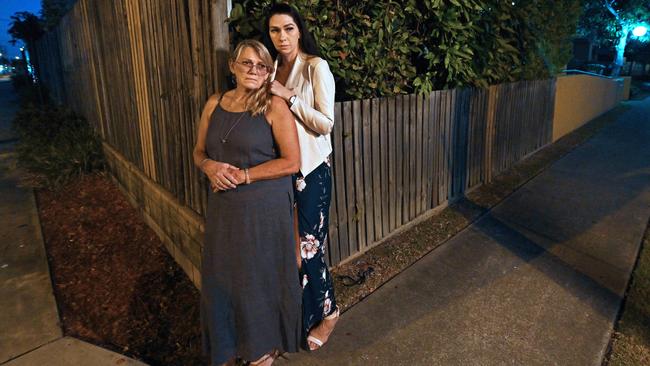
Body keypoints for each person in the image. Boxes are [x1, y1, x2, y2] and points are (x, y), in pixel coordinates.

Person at [193, 39, 302, 366]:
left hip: (263, 211)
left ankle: (262, 353)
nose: (254, 70)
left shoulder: (273, 106)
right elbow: (199, 152)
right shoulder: (214, 103)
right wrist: (209, 166)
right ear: (233, 67)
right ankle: (232, 347)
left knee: (257, 282)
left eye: (261, 66)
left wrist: (244, 176)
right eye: (247, 63)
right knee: (223, 280)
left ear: (268, 72)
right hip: (224, 211)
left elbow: (292, 162)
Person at [262, 3, 339, 351]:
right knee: (289, 253)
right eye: (275, 30)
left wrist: (289, 97)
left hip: (311, 171)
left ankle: (330, 313)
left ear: (299, 29)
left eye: (288, 29)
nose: (282, 36)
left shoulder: (314, 67)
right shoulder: (272, 68)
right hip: (281, 172)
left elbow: (326, 124)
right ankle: (301, 318)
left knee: (309, 251)